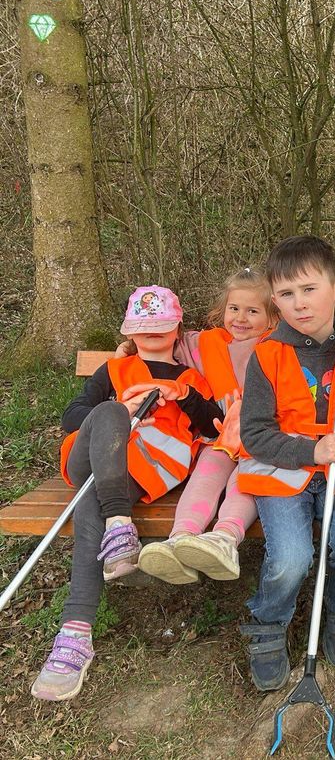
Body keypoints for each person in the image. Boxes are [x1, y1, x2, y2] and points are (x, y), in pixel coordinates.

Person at [31, 286, 222, 701]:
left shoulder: (188, 379)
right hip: (91, 458)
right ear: (129, 332)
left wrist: (184, 397)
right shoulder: (114, 370)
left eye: (162, 325)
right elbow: (71, 417)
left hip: (147, 467)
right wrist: (121, 409)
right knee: (109, 411)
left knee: (90, 506)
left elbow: (214, 426)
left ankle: (75, 633)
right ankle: (119, 523)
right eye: (143, 326)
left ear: (177, 329)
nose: (152, 333)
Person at [237, 236, 335, 691]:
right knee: (291, 558)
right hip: (283, 469)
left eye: (309, 289)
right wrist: (310, 451)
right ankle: (268, 623)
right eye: (286, 294)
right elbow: (254, 434)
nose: (299, 303)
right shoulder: (267, 354)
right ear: (274, 299)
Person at [137, 268, 276, 584]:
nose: (240, 318)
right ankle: (180, 537)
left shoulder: (278, 346)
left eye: (253, 311)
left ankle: (225, 538)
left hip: (262, 438)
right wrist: (131, 348)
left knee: (247, 481)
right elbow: (167, 343)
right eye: (234, 308)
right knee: (205, 475)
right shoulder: (207, 343)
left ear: (272, 317)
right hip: (219, 436)